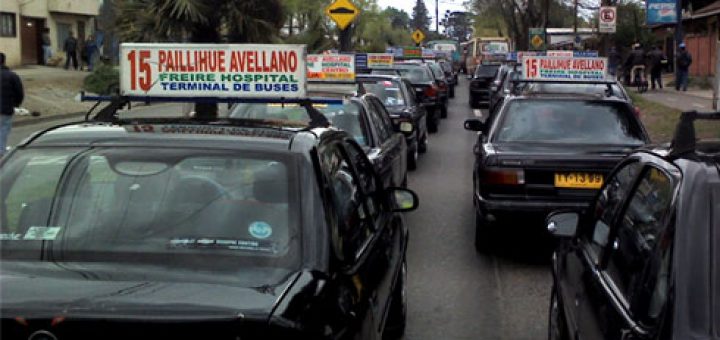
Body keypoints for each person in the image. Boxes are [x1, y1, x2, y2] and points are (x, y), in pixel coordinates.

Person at [0, 52, 24, 156]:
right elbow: (19, 92)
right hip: (6, 108)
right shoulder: (12, 76)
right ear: (4, 61)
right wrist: (16, 104)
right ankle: (1, 150)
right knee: (4, 129)